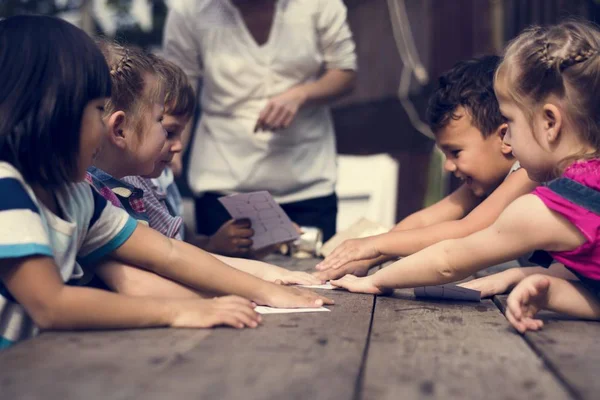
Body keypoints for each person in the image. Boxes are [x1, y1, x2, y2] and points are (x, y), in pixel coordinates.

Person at [0, 16, 332, 348]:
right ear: (55, 112)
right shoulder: (6, 189)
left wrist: (267, 290)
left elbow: (169, 252)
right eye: (98, 109)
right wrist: (178, 311)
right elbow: (51, 305)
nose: (104, 128)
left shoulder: (76, 195)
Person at [331, 21, 600, 334]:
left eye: (510, 121)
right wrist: (532, 282)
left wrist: (373, 280)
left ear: (550, 122)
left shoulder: (548, 208)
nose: (509, 140)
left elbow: (450, 259)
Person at [89, 40, 322, 295]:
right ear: (119, 129)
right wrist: (251, 291)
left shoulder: (126, 186)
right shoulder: (90, 196)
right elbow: (146, 274)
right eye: (163, 126)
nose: (177, 146)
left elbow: (174, 252)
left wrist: (265, 276)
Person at [315, 56, 537, 281]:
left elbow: (466, 229)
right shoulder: (487, 182)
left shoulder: (529, 173)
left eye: (456, 152)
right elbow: (426, 220)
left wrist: (375, 244)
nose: (449, 166)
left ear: (504, 138)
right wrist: (366, 260)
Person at [162, 0, 357, 242]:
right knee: (224, 275)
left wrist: (301, 95)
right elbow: (182, 86)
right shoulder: (189, 9)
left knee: (314, 275)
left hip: (308, 180)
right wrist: (172, 148)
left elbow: (345, 72)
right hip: (223, 181)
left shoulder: (320, 4)